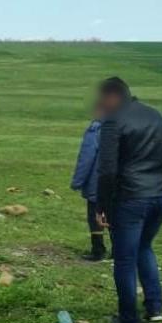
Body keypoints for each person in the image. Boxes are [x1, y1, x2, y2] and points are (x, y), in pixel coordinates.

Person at [95, 77, 162, 323]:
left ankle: (128, 320)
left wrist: (102, 206)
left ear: (111, 96)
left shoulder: (113, 122)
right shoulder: (157, 115)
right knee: (144, 247)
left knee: (125, 258)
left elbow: (107, 170)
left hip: (131, 197)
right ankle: (155, 308)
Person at [70, 107, 107, 261]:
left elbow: (87, 156)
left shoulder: (96, 129)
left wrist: (77, 181)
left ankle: (98, 250)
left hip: (97, 181)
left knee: (94, 215)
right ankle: (120, 250)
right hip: (121, 182)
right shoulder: (125, 127)